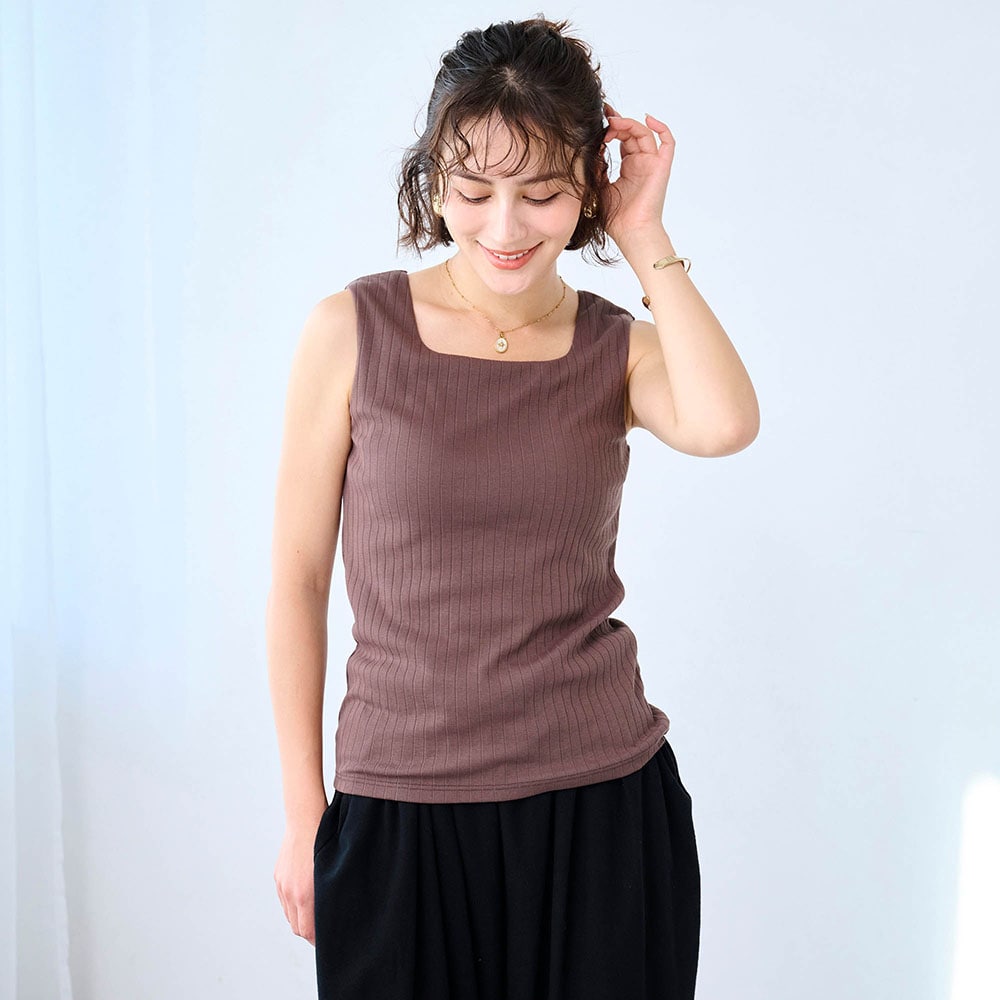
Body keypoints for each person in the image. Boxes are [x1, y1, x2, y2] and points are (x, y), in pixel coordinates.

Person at [267, 15, 758, 1000]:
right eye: (472, 192)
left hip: (601, 808)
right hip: (400, 805)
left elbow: (724, 423)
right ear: (432, 181)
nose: (505, 228)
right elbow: (297, 579)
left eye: (541, 194)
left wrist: (644, 235)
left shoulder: (614, 348)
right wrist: (301, 811)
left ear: (587, 185)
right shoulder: (352, 330)